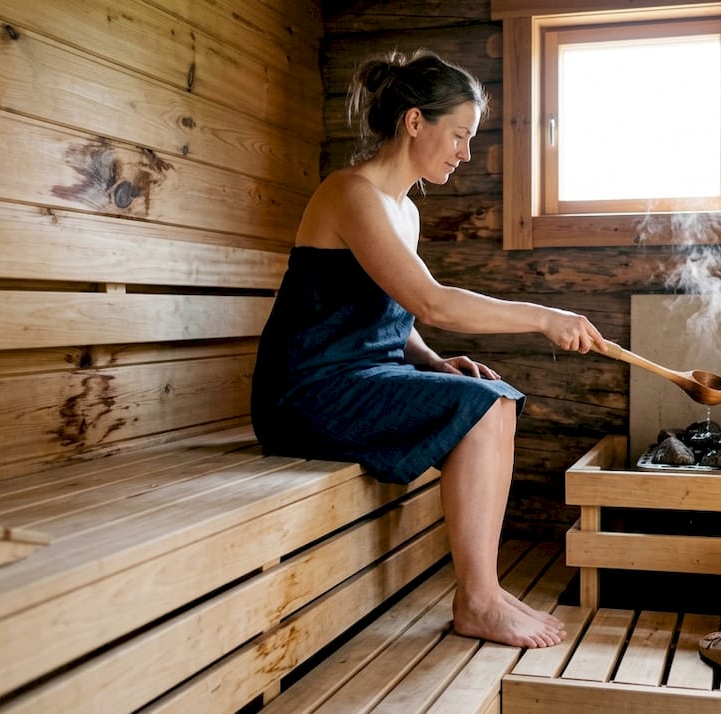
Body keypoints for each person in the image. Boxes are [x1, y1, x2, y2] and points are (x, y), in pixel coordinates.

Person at [250, 49, 605, 649]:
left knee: (494, 399)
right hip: (307, 391)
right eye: (460, 134)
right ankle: (479, 599)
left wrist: (432, 363)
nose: (465, 152)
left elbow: (394, 309)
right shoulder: (349, 193)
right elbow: (433, 302)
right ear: (416, 122)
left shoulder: (404, 211)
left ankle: (482, 591)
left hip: (362, 380)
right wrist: (545, 316)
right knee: (485, 404)